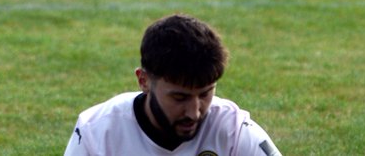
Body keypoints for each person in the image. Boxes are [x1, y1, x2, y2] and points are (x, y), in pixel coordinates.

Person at [64, 14, 282, 156]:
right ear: (144, 81)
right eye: (180, 97)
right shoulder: (97, 131)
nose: (194, 112)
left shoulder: (233, 129)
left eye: (205, 94)